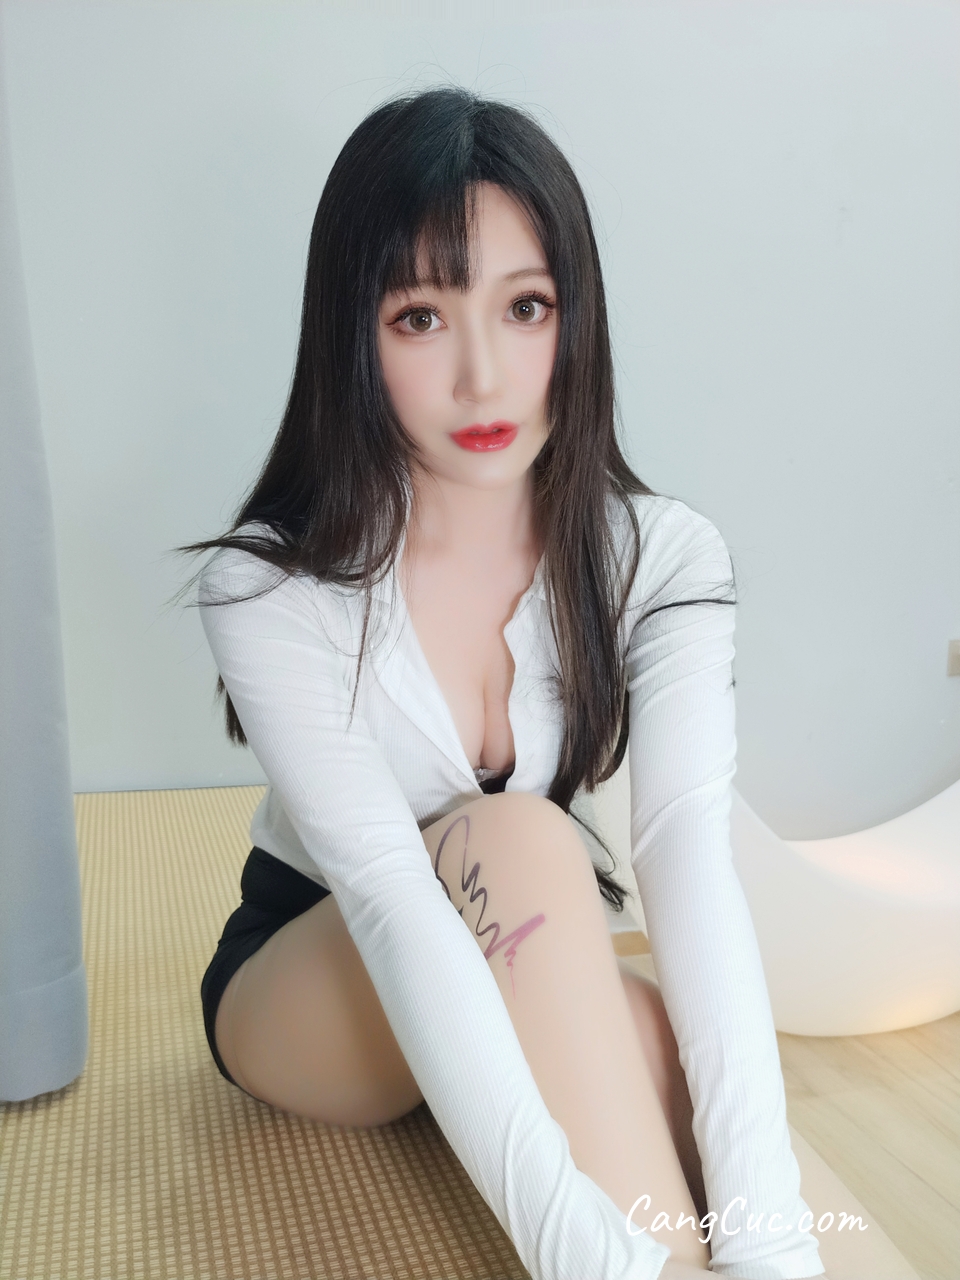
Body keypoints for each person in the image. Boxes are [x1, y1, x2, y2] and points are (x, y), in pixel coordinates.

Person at [184, 87, 830, 1280]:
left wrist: (771, 1235)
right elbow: (388, 893)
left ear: (574, 318)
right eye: (421, 316)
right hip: (312, 975)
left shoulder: (663, 557)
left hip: (512, 934)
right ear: (353, 337)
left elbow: (685, 850)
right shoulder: (269, 586)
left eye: (525, 307)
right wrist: (591, 1251)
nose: (483, 376)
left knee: (675, 1051)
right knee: (526, 840)